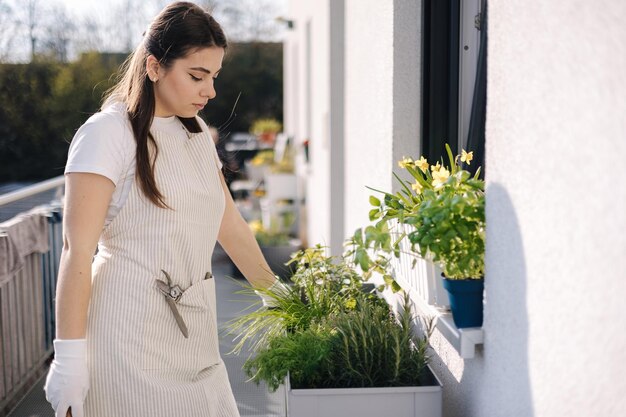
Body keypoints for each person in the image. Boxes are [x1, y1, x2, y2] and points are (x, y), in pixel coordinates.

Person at [43, 3, 284, 416]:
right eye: (197, 76)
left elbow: (228, 221)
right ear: (154, 66)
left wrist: (273, 292)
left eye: (213, 76)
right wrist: (68, 357)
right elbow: (76, 251)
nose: (210, 91)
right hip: (125, 334)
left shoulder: (197, 136)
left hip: (195, 333)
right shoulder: (106, 134)